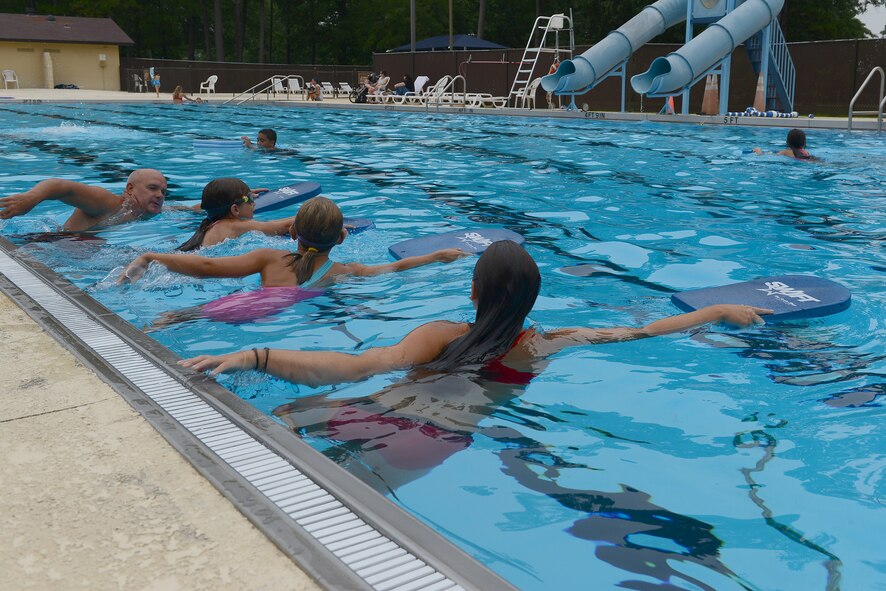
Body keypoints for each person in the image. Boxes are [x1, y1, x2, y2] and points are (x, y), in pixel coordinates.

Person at [180, 240, 772, 382]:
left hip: (393, 410)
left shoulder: (439, 335)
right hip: (451, 443)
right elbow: (641, 330)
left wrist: (258, 354)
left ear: (473, 294)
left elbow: (356, 366)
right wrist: (716, 308)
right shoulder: (548, 343)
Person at [119, 195, 466, 311]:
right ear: (342, 238)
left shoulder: (270, 257)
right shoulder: (345, 271)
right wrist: (437, 256)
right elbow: (399, 266)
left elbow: (208, 266)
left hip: (242, 308)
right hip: (278, 316)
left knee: (179, 315)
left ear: (294, 233)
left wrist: (153, 257)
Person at [0, 169, 167, 232]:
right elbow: (61, 186)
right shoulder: (108, 203)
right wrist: (31, 198)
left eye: (163, 191)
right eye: (153, 188)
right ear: (130, 189)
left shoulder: (143, 212)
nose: (160, 195)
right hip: (56, 246)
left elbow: (184, 209)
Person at [174, 177, 295, 251]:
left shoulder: (211, 224)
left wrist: (243, 195)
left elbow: (266, 224)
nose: (254, 203)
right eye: (250, 199)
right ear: (235, 209)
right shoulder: (235, 225)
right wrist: (312, 208)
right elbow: (281, 227)